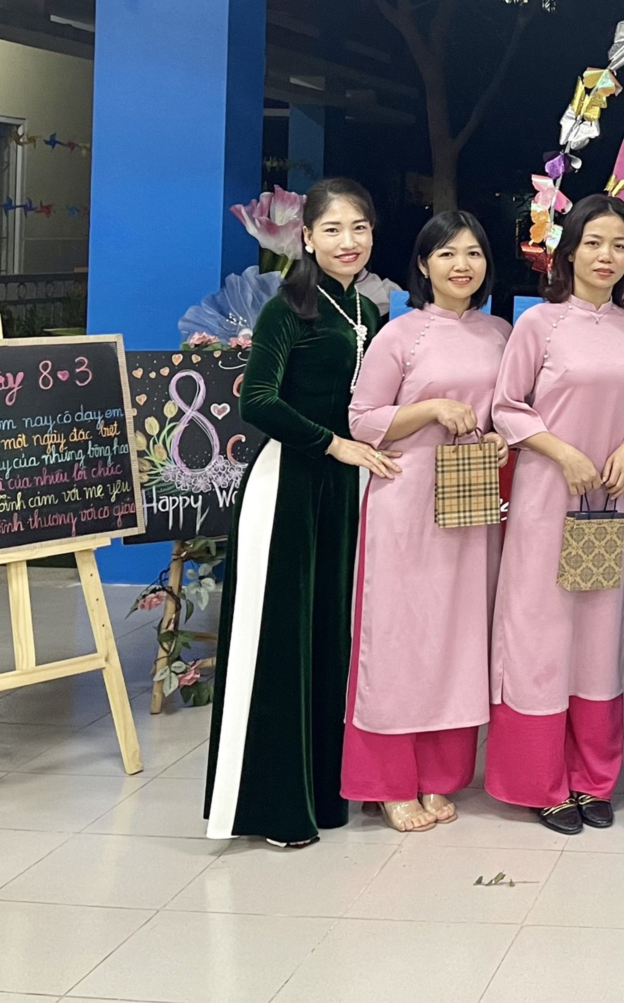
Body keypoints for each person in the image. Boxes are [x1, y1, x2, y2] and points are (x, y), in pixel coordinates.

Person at [206, 177, 397, 847]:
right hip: (289, 481)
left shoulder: (367, 310)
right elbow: (257, 400)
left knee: (331, 637)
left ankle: (327, 793)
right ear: (307, 238)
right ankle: (274, 806)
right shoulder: (287, 307)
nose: (349, 242)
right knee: (282, 640)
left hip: (345, 488)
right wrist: (333, 443)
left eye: (360, 228)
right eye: (334, 229)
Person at [339, 211, 510, 833]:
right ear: (423, 264)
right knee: (399, 640)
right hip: (406, 502)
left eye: (473, 253)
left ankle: (440, 774)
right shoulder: (399, 334)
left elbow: (508, 410)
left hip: (470, 503)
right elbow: (361, 420)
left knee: (457, 639)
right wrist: (431, 407)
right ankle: (388, 780)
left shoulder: (501, 333)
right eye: (447, 254)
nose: (462, 265)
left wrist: (500, 438)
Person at [488, 195, 624, 835]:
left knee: (599, 634)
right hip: (547, 496)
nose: (607, 256)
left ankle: (592, 777)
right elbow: (506, 407)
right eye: (594, 243)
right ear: (569, 251)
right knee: (541, 629)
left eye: (620, 245)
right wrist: (563, 453)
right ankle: (540, 780)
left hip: (608, 501)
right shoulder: (539, 324)